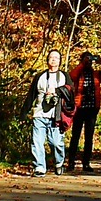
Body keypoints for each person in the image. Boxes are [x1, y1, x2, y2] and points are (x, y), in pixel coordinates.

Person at [65, 50, 101, 172]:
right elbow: (72, 76)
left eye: (89, 60)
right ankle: (71, 162)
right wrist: (82, 64)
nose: (88, 63)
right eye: (86, 60)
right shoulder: (79, 73)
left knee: (89, 136)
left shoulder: (96, 74)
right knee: (75, 136)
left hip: (92, 109)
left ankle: (86, 163)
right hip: (79, 108)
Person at [27, 48, 71, 176]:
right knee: (37, 142)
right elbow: (31, 95)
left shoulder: (64, 76)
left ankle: (59, 163)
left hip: (56, 116)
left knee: (56, 143)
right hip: (39, 114)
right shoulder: (40, 76)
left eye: (56, 57)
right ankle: (39, 167)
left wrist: (57, 91)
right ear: (47, 60)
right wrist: (24, 112)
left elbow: (70, 92)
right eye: (51, 57)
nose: (53, 59)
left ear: (60, 61)